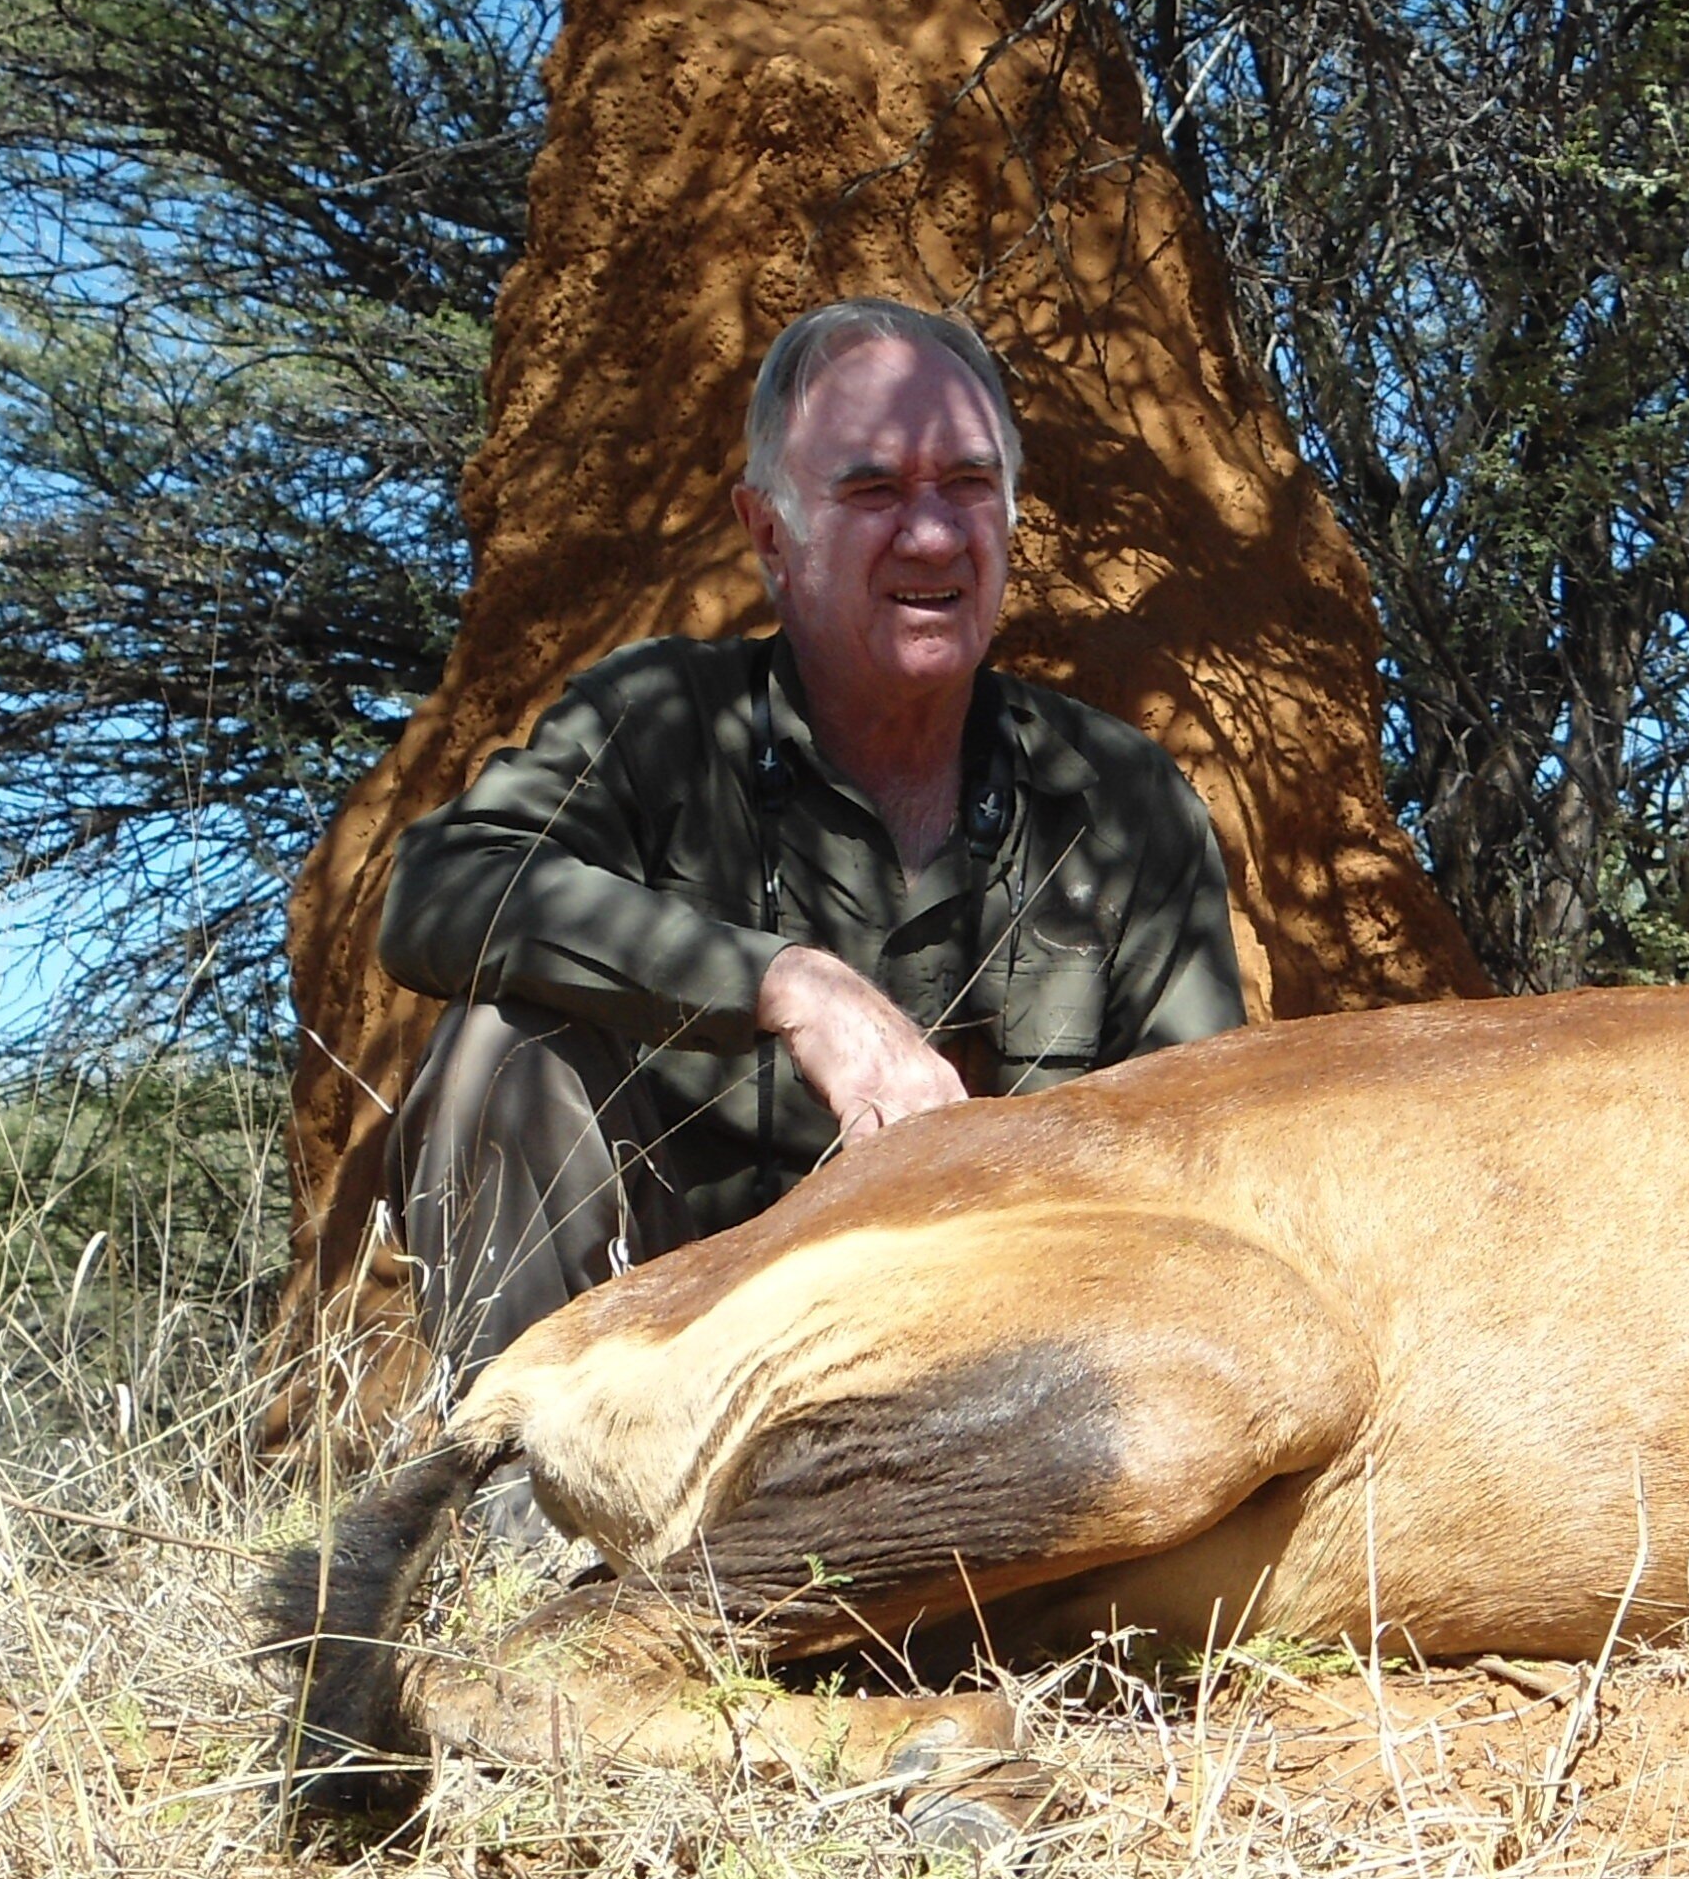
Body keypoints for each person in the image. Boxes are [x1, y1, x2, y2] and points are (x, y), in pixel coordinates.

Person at [378, 298, 1246, 1414]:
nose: (932, 536)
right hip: (678, 1380)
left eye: (969, 485)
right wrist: (786, 983)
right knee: (495, 1049)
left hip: (1007, 1384)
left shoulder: (1123, 800)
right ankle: (529, 1548)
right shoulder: (658, 726)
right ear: (769, 535)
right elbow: (441, 885)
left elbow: (1203, 1158)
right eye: (872, 490)